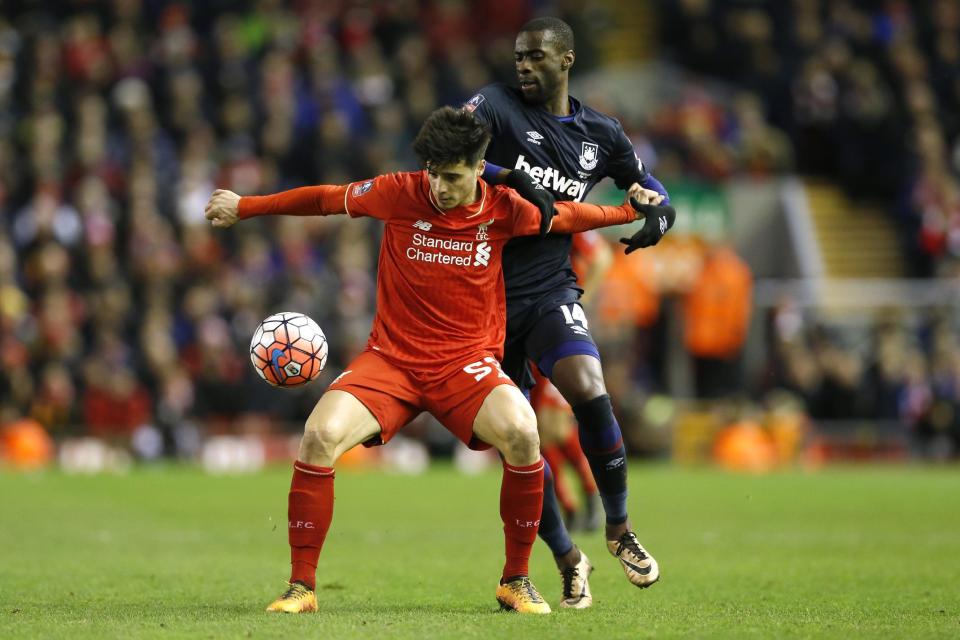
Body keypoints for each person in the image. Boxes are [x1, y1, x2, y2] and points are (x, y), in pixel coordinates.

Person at [204, 106, 647, 615]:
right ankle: (301, 587)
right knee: (319, 435)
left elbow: (571, 216)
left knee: (525, 433)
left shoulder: (506, 207)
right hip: (391, 360)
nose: (439, 186)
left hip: (465, 365)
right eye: (434, 173)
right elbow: (327, 199)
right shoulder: (401, 190)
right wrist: (246, 206)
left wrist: (629, 212)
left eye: (453, 177)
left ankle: (516, 580)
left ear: (480, 168)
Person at [464, 16, 676, 607]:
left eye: (535, 57)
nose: (523, 66)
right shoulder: (495, 106)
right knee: (520, 439)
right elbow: (445, 151)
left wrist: (662, 209)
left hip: (550, 289)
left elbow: (642, 182)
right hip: (483, 299)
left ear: (567, 60)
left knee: (589, 387)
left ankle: (619, 529)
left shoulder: (600, 133)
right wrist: (509, 179)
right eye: (518, 57)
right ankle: (566, 557)